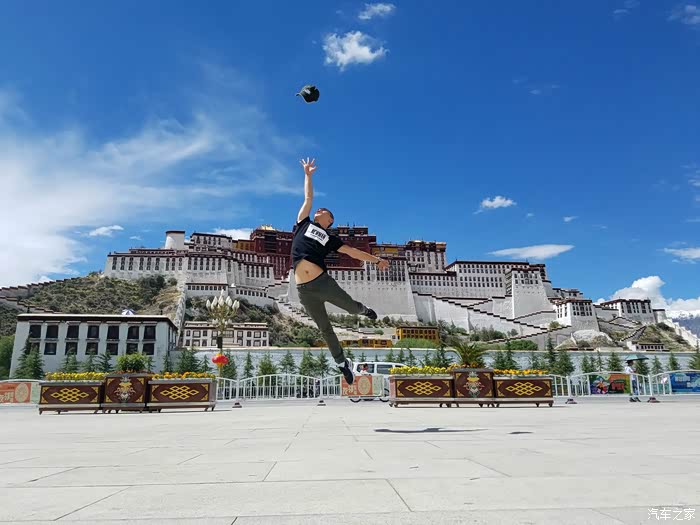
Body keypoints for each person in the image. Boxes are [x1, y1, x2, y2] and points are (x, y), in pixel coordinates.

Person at [291, 158, 390, 385]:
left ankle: (364, 310)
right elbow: (308, 198)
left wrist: (376, 260)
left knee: (351, 308)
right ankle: (342, 363)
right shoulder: (303, 223)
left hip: (323, 283)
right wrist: (308, 175)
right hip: (304, 291)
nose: (319, 209)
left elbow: (353, 252)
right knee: (325, 329)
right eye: (319, 209)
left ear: (330, 220)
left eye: (325, 211)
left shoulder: (329, 238)